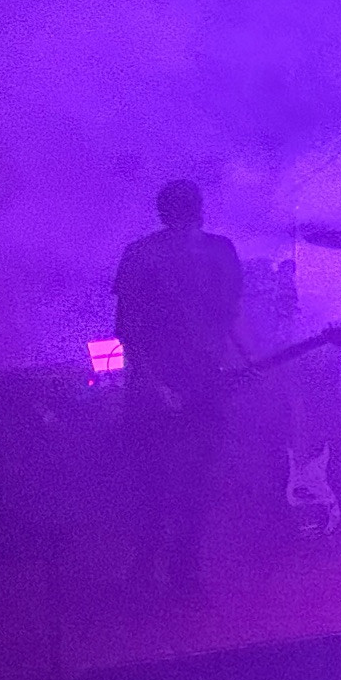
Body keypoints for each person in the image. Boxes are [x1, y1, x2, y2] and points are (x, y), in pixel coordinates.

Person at [113, 179, 245, 597]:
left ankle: (164, 574)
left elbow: (224, 320)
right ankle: (165, 573)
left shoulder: (147, 253)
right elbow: (131, 330)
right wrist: (157, 385)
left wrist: (242, 361)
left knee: (178, 483)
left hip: (191, 383)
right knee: (175, 482)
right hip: (175, 383)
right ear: (200, 210)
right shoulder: (155, 256)